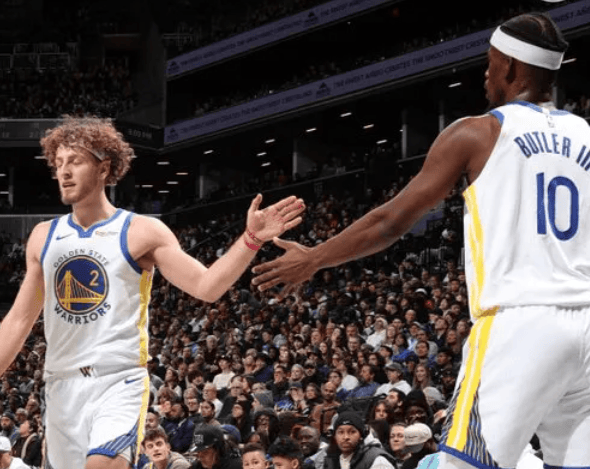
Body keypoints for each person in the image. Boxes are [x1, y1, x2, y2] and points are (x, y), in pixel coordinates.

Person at [252, 12, 589, 469]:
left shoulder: (479, 131)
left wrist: (314, 258)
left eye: (490, 62)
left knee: (461, 464)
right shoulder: (586, 134)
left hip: (520, 322)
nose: (485, 73)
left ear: (510, 66)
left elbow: (391, 222)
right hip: (586, 324)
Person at [0, 116, 305, 469]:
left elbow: (207, 286)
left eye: (76, 161)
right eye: (59, 163)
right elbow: (19, 319)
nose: (64, 172)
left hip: (117, 380)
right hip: (60, 383)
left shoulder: (141, 231)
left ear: (104, 168)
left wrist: (251, 239)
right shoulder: (43, 236)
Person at [323, 411, 396, 469]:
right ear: (335, 436)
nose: (346, 437)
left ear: (361, 435)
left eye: (352, 432)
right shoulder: (331, 459)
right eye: (341, 432)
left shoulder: (377, 460)